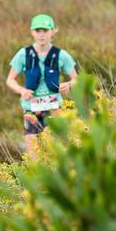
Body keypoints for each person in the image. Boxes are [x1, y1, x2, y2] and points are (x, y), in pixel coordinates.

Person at [5, 13, 77, 156]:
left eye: (45, 30)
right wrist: (21, 90)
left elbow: (77, 79)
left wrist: (69, 84)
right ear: (32, 32)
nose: (41, 34)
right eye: (38, 30)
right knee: (33, 154)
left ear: (53, 31)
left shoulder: (61, 55)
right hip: (31, 109)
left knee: (56, 152)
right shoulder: (23, 54)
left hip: (54, 108)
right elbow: (10, 80)